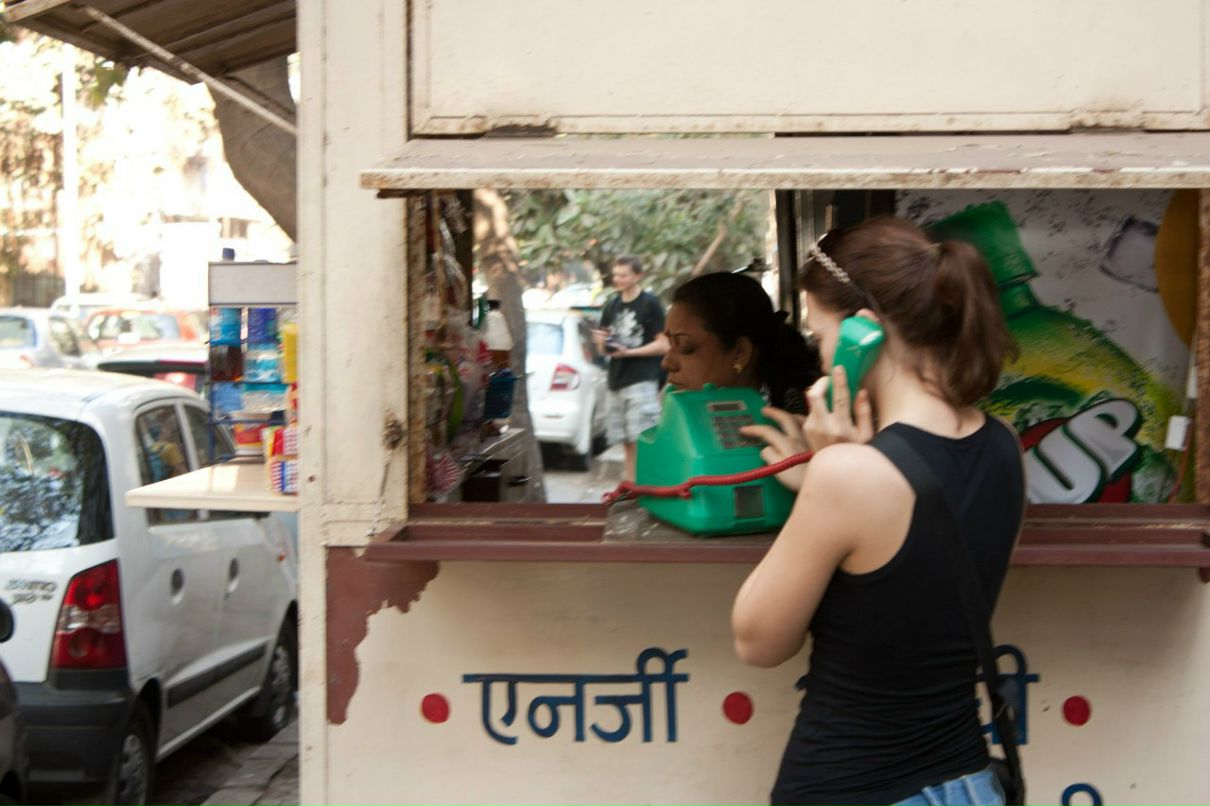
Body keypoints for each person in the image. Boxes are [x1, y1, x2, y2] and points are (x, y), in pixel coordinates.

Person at [731, 216, 1025, 806]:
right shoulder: (1002, 447)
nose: (819, 357)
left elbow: (757, 640)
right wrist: (826, 476)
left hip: (851, 786)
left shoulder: (851, 476)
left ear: (865, 331)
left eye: (820, 336)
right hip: (967, 782)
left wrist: (827, 474)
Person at [661, 271, 820, 413]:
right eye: (669, 344)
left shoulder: (789, 430)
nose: (667, 363)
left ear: (740, 354)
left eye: (685, 346)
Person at [593, 256, 668, 481]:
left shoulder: (650, 303)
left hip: (643, 378)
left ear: (638, 276)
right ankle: (633, 485)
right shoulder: (612, 305)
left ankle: (649, 484)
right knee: (625, 440)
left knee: (643, 438)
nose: (618, 279)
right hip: (616, 379)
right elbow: (605, 350)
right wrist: (600, 341)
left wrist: (630, 352)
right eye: (616, 275)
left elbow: (664, 344)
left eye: (624, 275)